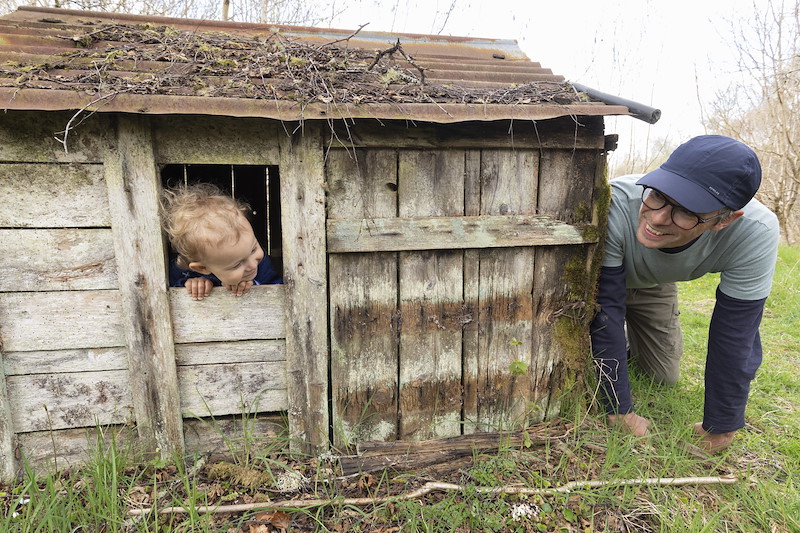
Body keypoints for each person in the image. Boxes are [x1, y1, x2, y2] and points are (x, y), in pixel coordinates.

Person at [590, 135, 780, 453]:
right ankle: (618, 345)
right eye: (658, 195)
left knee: (663, 375)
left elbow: (736, 333)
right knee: (603, 341)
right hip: (604, 278)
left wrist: (721, 425)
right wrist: (618, 410)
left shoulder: (756, 233)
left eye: (687, 212)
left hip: (654, 284)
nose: (658, 217)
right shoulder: (617, 202)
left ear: (725, 220)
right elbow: (605, 308)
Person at [160, 182, 281, 300]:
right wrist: (194, 286)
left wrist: (252, 285)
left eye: (254, 249)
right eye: (237, 264)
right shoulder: (182, 272)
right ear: (202, 268)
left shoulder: (260, 263)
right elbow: (168, 292)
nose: (253, 265)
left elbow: (277, 288)